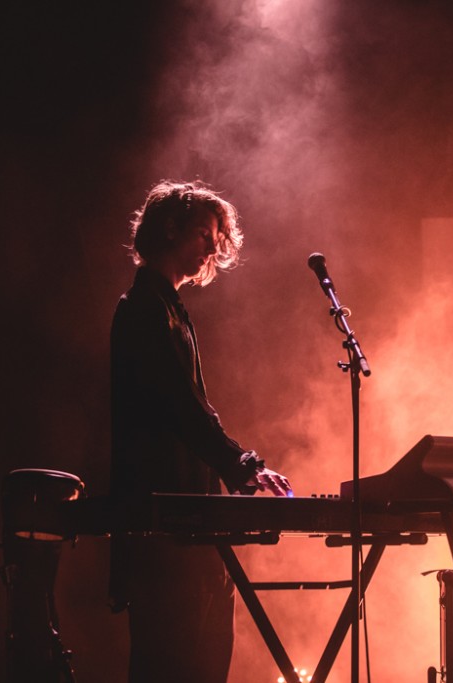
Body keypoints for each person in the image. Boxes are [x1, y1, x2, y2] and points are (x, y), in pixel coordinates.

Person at [109, 179, 292, 683]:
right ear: (170, 229)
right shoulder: (146, 309)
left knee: (203, 652)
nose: (213, 248)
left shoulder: (169, 309)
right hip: (166, 523)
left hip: (185, 515)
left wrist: (238, 466)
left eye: (216, 238)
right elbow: (181, 408)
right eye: (204, 235)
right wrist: (243, 465)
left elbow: (190, 410)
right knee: (177, 658)